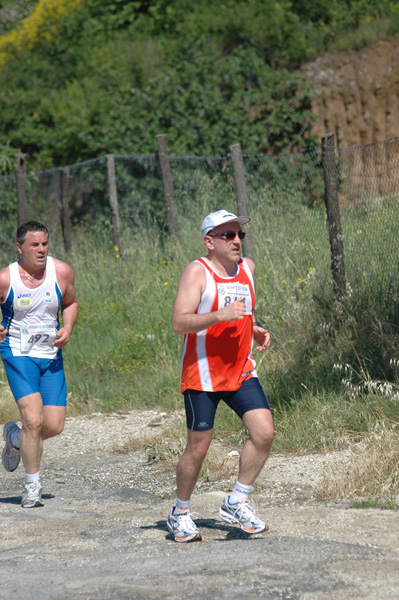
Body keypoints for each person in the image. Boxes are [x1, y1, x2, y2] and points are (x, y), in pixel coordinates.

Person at [166, 209, 274, 543]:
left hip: (240, 369)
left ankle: (237, 500)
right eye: (228, 235)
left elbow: (243, 312)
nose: (237, 240)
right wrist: (218, 316)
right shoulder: (197, 273)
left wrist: (253, 328)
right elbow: (179, 322)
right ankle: (180, 512)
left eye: (239, 234)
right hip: (203, 374)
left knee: (264, 433)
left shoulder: (248, 269)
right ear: (209, 241)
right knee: (198, 449)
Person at [0, 221, 78, 508]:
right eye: (34, 245)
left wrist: (67, 328)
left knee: (53, 426)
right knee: (33, 419)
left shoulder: (61, 272)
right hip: (17, 352)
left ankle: (15, 438)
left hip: (50, 355)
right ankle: (32, 487)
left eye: (45, 244)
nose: (41, 249)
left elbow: (70, 302)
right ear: (20, 247)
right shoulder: (6, 279)